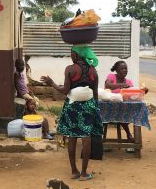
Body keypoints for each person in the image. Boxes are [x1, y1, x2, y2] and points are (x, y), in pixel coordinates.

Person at [41, 45, 102, 181]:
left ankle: (74, 171)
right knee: (86, 138)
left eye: (72, 53)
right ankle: (84, 173)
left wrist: (52, 83)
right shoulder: (93, 71)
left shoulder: (70, 69)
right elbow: (96, 94)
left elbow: (65, 91)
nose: (71, 56)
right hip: (89, 106)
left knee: (72, 136)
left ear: (77, 54)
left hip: (72, 107)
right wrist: (95, 109)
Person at [104, 61, 149, 143]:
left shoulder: (128, 82)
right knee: (118, 112)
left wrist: (143, 91)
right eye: (122, 69)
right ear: (116, 70)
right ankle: (128, 134)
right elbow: (107, 85)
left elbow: (133, 95)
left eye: (126, 68)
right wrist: (121, 85)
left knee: (123, 113)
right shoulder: (111, 76)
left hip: (123, 110)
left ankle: (131, 136)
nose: (125, 70)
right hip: (109, 108)